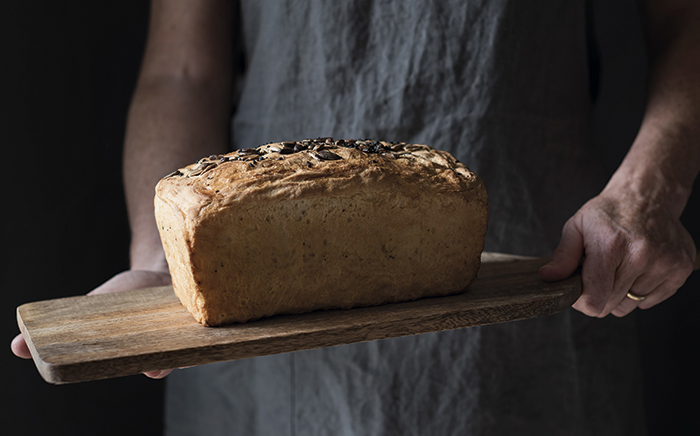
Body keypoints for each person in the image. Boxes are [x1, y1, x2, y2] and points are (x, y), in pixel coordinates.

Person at [12, 0, 700, 434]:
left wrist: (649, 189)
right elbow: (181, 71)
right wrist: (159, 264)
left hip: (533, 284)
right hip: (259, 341)